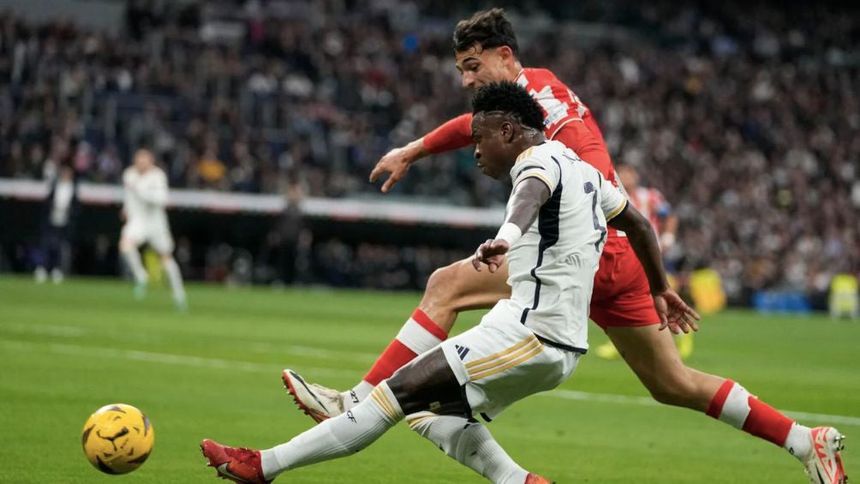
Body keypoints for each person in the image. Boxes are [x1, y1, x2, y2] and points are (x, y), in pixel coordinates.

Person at [282, 9, 847, 483]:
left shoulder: (542, 111)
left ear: (505, 56)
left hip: (589, 253)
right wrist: (414, 150)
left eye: (473, 66)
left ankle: (356, 401)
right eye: (461, 70)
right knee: (673, 383)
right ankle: (805, 440)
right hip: (621, 255)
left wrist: (546, 222)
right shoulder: (538, 89)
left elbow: (562, 164)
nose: (467, 80)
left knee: (446, 286)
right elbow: (473, 125)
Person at [201, 81, 698, 483]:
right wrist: (659, 286)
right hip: (543, 337)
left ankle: (262, 466)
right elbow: (638, 224)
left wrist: (505, 238)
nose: (475, 151)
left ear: (509, 130)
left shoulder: (537, 163)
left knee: (390, 395)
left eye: (481, 138)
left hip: (532, 335)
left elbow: (529, 197)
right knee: (427, 414)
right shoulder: (585, 171)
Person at [593, 162, 692, 360]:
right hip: (625, 253)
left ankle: (682, 334)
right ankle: (620, 341)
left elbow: (670, 216)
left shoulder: (650, 196)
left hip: (649, 252)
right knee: (627, 297)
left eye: (628, 173)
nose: (624, 176)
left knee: (654, 294)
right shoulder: (612, 195)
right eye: (621, 173)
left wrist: (668, 237)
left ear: (635, 175)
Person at [119, 147, 187, 310]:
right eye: (138, 159)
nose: (141, 163)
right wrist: (126, 209)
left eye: (144, 160)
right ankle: (141, 276)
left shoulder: (158, 176)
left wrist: (141, 191)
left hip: (156, 223)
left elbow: (161, 199)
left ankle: (179, 294)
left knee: (166, 258)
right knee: (125, 245)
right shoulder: (129, 174)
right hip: (138, 220)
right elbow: (129, 196)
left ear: (151, 161)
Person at [34, 163, 79, 284]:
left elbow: (76, 208)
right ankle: (42, 268)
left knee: (60, 247)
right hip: (51, 221)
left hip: (64, 223)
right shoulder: (55, 186)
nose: (65, 175)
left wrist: (68, 212)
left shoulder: (74, 189)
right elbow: (47, 203)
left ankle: (57, 270)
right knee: (46, 245)